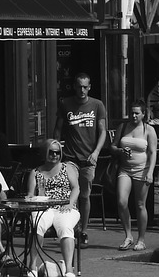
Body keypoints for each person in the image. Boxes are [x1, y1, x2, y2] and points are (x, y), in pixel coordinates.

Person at [53, 73, 107, 247]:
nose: (82, 90)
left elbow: (103, 131)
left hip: (89, 158)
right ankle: (70, 228)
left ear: (89, 87)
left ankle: (83, 230)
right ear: (74, 87)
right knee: (71, 195)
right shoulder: (66, 104)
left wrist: (97, 152)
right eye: (79, 86)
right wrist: (57, 148)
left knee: (84, 195)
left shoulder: (97, 105)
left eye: (85, 87)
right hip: (70, 157)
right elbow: (58, 128)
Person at [26, 140, 80, 277]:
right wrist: (30, 198)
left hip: (65, 206)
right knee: (37, 225)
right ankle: (32, 266)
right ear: (44, 153)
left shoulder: (67, 168)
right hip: (44, 207)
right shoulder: (35, 172)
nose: (55, 155)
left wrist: (70, 203)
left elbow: (76, 188)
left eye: (57, 152)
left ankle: (69, 269)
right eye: (51, 152)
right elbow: (31, 193)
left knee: (66, 227)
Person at [113, 102, 158, 252]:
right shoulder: (123, 127)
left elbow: (152, 152)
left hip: (142, 170)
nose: (133, 116)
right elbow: (112, 146)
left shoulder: (149, 130)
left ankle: (141, 239)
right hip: (125, 169)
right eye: (132, 113)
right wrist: (120, 150)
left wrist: (150, 172)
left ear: (143, 114)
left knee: (140, 204)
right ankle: (128, 236)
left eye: (137, 113)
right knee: (121, 201)